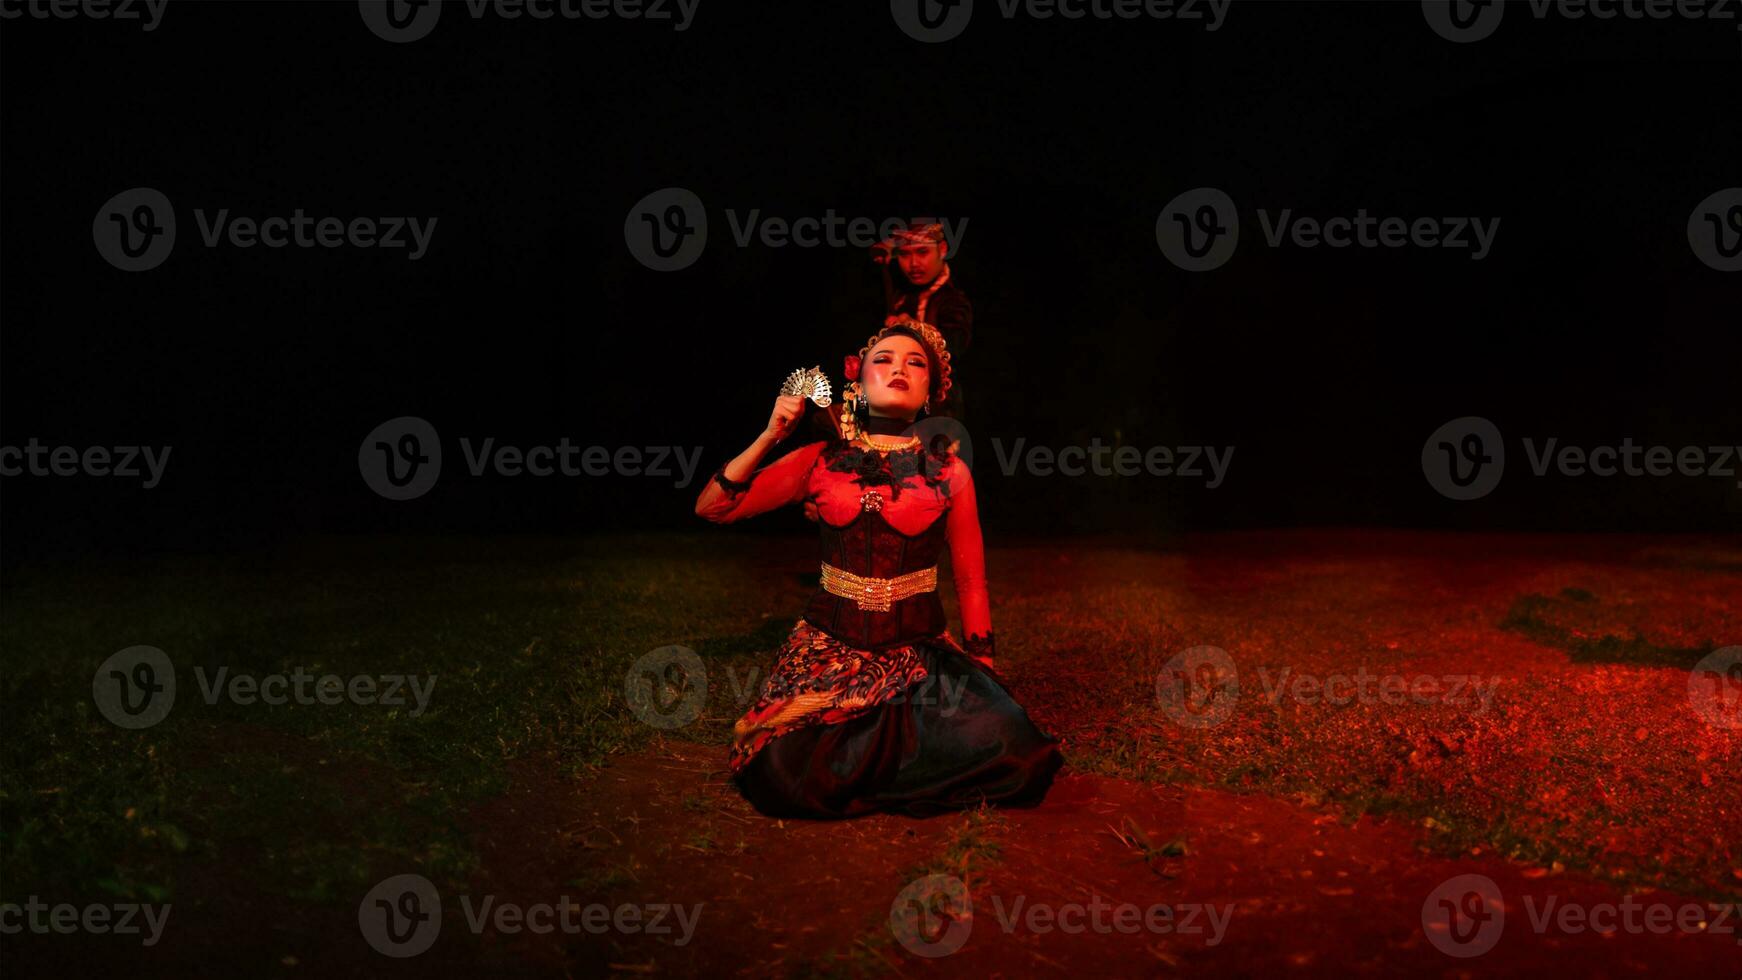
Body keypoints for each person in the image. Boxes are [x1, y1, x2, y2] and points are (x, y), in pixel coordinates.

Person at [694, 319, 1061, 818]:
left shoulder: (949, 471)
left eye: (915, 365)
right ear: (857, 384)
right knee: (784, 773)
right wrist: (769, 435)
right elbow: (713, 508)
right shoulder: (820, 460)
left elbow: (972, 580)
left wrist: (985, 675)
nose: (899, 370)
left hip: (917, 652)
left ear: (930, 392)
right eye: (883, 361)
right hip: (828, 649)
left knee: (1014, 749)